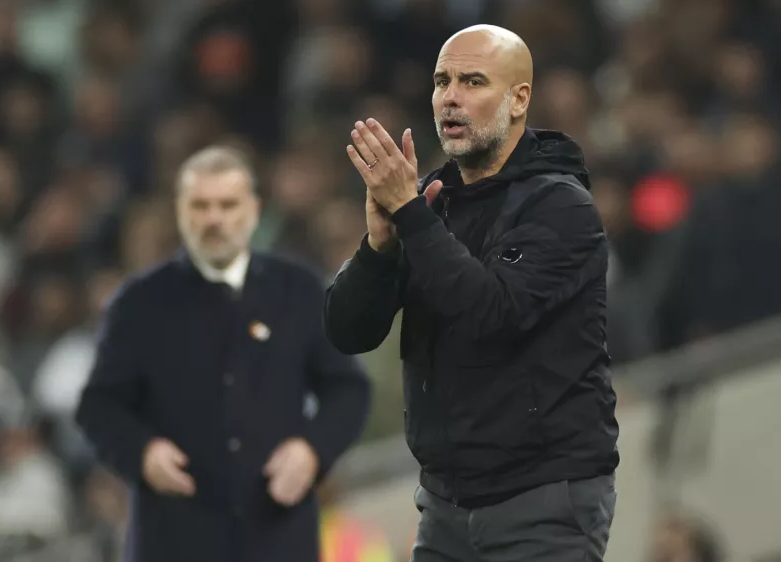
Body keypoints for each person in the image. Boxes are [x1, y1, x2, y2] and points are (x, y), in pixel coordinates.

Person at [323, 24, 619, 562]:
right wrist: (380, 245)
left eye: (473, 81)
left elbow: (491, 313)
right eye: (442, 81)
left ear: (519, 98)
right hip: (444, 508)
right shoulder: (435, 205)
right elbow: (347, 330)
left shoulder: (560, 207)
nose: (450, 97)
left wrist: (412, 217)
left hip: (543, 502)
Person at [75, 145, 371, 562]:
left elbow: (348, 389)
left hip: (278, 536)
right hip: (174, 539)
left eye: (227, 205)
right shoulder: (139, 303)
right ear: (181, 212)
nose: (214, 219)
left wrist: (312, 450)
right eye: (201, 205)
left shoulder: (298, 290)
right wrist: (142, 453)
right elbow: (99, 405)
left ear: (253, 210)